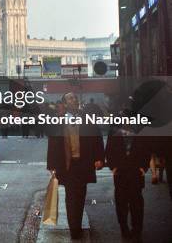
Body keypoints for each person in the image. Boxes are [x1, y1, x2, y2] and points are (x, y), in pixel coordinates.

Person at [46, 92, 104, 240]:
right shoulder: (59, 120)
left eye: (75, 97)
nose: (74, 99)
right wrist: (52, 165)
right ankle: (74, 229)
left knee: (81, 195)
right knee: (71, 196)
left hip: (84, 162)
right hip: (68, 164)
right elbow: (53, 143)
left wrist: (99, 158)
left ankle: (76, 224)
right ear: (65, 104)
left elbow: (97, 136)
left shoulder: (86, 117)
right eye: (70, 98)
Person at [105, 111, 151, 240]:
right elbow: (109, 149)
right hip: (120, 171)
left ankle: (137, 229)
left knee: (136, 201)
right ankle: (124, 227)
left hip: (136, 171)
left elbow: (146, 149)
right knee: (121, 202)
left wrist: (144, 167)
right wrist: (113, 166)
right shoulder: (114, 131)